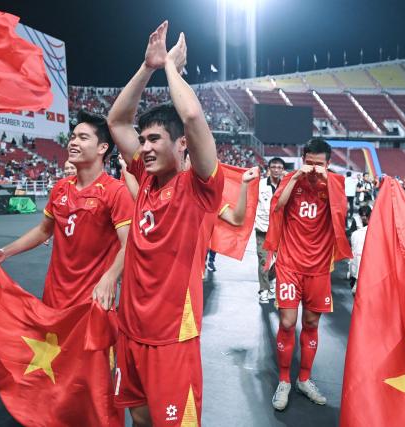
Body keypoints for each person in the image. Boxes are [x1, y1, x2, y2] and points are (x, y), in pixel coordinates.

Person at [0, 111, 132, 425]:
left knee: (95, 381)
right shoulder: (61, 188)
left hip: (93, 306)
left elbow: (130, 244)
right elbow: (43, 231)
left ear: (103, 148)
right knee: (57, 373)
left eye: (83, 137)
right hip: (55, 301)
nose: (73, 142)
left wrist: (109, 278)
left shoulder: (115, 192)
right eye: (73, 136)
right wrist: (5, 252)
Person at [107, 21, 224, 426]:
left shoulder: (200, 186)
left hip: (173, 336)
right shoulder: (147, 179)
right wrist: (147, 67)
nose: (145, 148)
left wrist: (171, 67)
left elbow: (190, 114)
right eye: (144, 141)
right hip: (132, 329)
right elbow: (117, 122)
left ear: (181, 145)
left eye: (155, 139)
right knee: (139, 420)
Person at [264, 138, 351, 411]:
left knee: (311, 324)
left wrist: (326, 178)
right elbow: (278, 206)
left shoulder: (335, 183)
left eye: (320, 164)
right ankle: (284, 381)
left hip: (319, 267)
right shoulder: (292, 178)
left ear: (329, 163)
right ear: (303, 160)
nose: (314, 169)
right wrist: (297, 177)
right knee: (288, 322)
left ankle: (304, 378)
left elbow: (341, 214)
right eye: (310, 163)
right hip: (290, 264)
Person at [255, 157, 284, 304]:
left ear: (282, 170)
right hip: (263, 229)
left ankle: (270, 281)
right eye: (274, 167)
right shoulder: (259, 185)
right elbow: (251, 204)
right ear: (269, 168)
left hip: (280, 231)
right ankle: (264, 290)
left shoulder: (285, 186)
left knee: (278, 262)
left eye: (279, 167)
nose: (276, 170)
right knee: (264, 260)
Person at [348, 204, 371, 295]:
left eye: (366, 216)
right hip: (357, 258)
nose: (364, 218)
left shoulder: (374, 225)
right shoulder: (356, 223)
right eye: (362, 215)